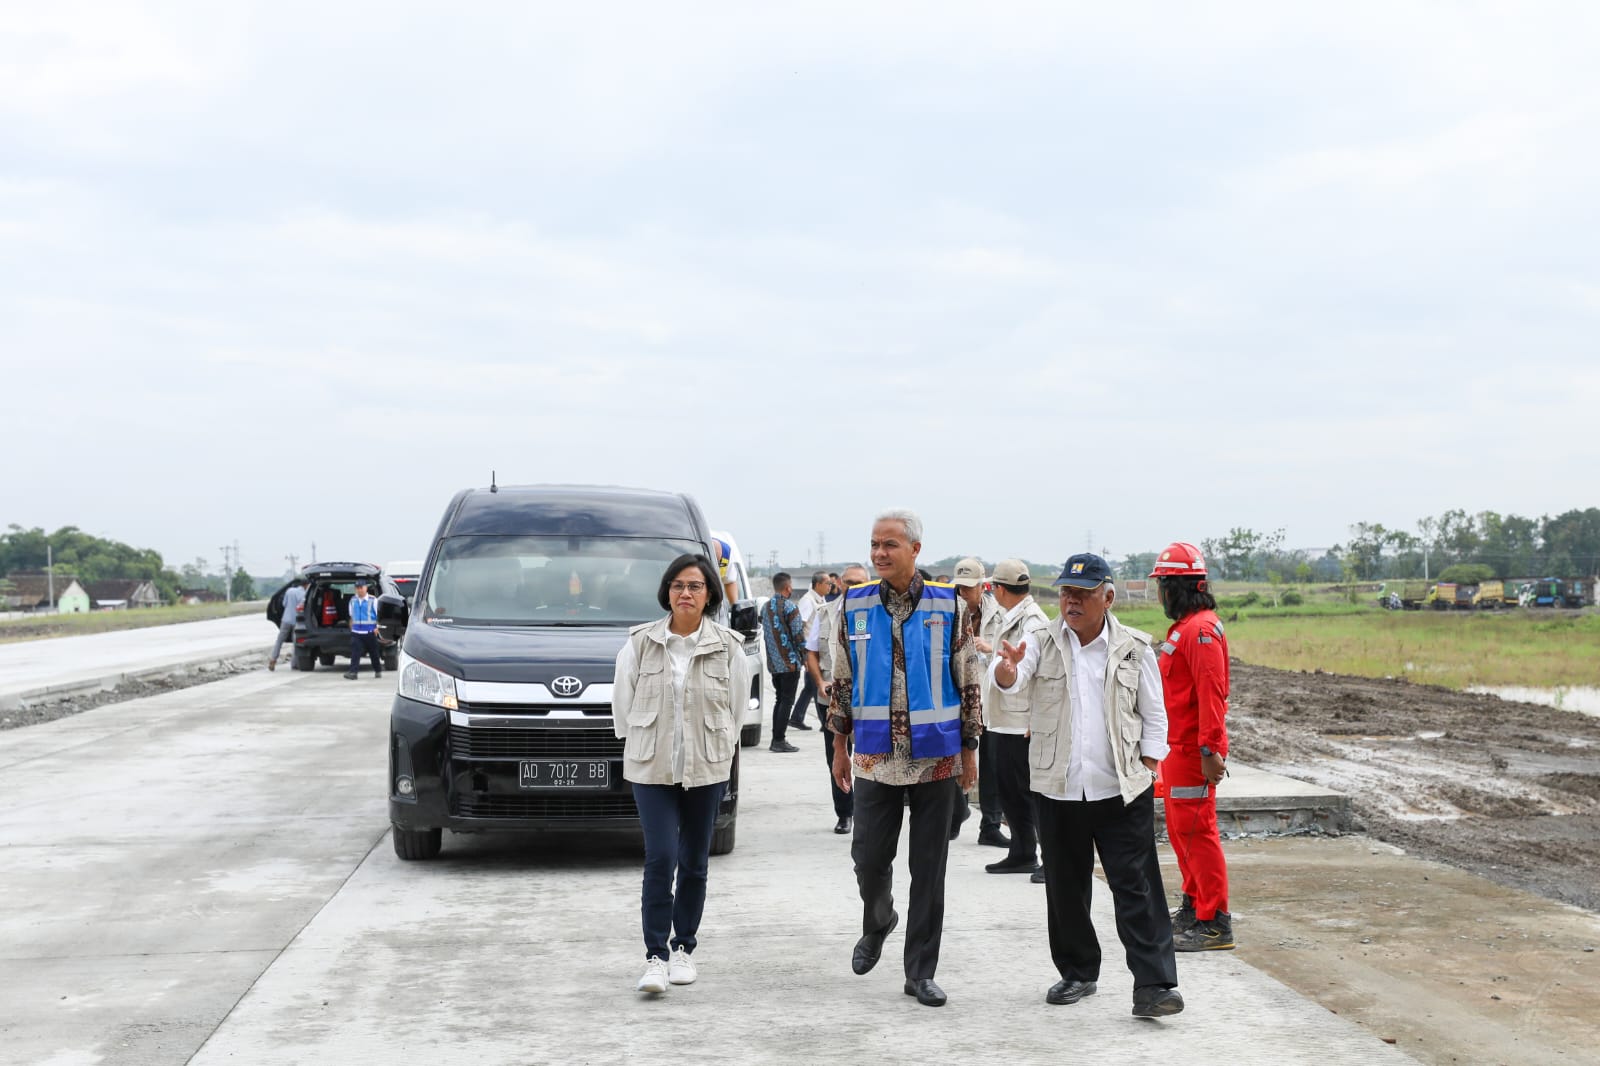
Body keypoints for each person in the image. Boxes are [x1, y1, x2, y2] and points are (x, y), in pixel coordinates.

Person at [991, 553, 1184, 1018]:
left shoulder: (1135, 648)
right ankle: (1078, 972)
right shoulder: (1039, 641)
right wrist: (1006, 668)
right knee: (1065, 886)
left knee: (1136, 888)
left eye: (1082, 593)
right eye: (1065, 593)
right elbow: (1011, 684)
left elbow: (1154, 716)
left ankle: (1154, 986)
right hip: (1058, 788)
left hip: (1121, 789)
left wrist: (1150, 768)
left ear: (1108, 596)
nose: (1071, 601)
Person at [829, 509, 982, 1008]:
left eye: (889, 545)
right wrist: (838, 745)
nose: (879, 553)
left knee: (929, 868)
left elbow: (968, 677)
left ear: (915, 549)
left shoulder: (949, 604)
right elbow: (842, 678)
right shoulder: (852, 604)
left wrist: (970, 749)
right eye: (874, 544)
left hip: (936, 757)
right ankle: (879, 920)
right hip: (875, 756)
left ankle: (920, 972)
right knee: (869, 859)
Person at [612, 553, 751, 995]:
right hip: (651, 768)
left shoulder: (728, 646)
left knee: (694, 862)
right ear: (666, 593)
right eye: (677, 585)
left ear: (709, 593)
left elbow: (735, 712)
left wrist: (718, 751)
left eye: (694, 586)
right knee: (661, 858)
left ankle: (682, 949)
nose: (685, 593)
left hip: (707, 767)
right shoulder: (639, 643)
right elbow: (622, 708)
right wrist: (643, 745)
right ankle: (654, 957)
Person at [1151, 541, 1235, 951]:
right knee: (1182, 832)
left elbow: (1211, 694)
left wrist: (1210, 751)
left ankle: (1215, 921)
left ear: (1179, 586)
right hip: (1177, 750)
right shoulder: (1187, 627)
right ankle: (1194, 905)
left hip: (1192, 752)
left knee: (1198, 833)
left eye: (1163, 585)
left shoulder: (1200, 631)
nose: (1160, 594)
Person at [979, 558, 1051, 876]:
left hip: (1019, 722)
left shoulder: (1032, 622)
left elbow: (1039, 675)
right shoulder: (1013, 616)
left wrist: (1036, 718)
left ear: (999, 589)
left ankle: (1052, 859)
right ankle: (1022, 852)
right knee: (1011, 792)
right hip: (1004, 719)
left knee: (1029, 794)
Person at [807, 563, 869, 834]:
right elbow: (811, 652)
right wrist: (820, 681)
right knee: (837, 753)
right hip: (831, 699)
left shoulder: (879, 613)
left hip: (868, 700)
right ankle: (844, 813)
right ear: (840, 584)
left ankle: (868, 811)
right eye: (848, 582)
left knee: (870, 757)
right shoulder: (825, 614)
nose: (853, 587)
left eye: (859, 583)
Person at [950, 557, 1003, 845]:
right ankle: (956, 813)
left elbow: (1013, 652)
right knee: (956, 759)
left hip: (990, 697)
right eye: (958, 588)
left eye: (968, 589)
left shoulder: (1001, 613)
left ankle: (991, 826)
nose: (962, 595)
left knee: (992, 764)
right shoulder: (943, 610)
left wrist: (989, 647)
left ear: (983, 587)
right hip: (956, 697)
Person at [761, 572, 806, 754]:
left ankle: (776, 738)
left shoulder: (765, 607)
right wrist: (805, 658)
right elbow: (798, 636)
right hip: (790, 663)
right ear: (788, 587)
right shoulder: (790, 607)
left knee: (780, 700)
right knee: (786, 701)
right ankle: (779, 740)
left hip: (774, 664)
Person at [792, 571, 830, 730]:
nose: (830, 586)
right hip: (810, 652)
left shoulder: (821, 600)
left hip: (817, 650)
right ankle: (824, 721)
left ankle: (796, 717)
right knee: (815, 684)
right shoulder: (808, 601)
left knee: (810, 686)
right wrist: (804, 654)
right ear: (818, 584)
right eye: (827, 583)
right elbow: (800, 626)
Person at [343, 580, 382, 679]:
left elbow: (379, 616)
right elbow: (351, 617)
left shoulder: (373, 600)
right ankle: (353, 673)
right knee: (355, 653)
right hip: (357, 632)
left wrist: (377, 627)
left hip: (370, 632)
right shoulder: (352, 600)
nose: (359, 590)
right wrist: (352, 629)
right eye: (357, 588)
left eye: (361, 587)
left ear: (366, 588)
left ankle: (377, 670)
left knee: (374, 653)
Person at [269, 578, 306, 670]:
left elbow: (284, 604)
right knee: (296, 643)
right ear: (306, 585)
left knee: (279, 640)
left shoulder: (289, 591)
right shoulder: (304, 594)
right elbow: (302, 607)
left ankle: (273, 659)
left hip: (285, 619)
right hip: (297, 621)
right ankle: (294, 664)